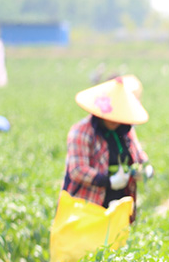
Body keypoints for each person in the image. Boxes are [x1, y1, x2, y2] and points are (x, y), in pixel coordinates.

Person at [63, 76, 153, 223]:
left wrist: (145, 170)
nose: (114, 119)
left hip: (120, 205)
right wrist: (108, 181)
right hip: (88, 206)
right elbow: (77, 170)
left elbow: (139, 156)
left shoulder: (127, 132)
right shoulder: (81, 132)